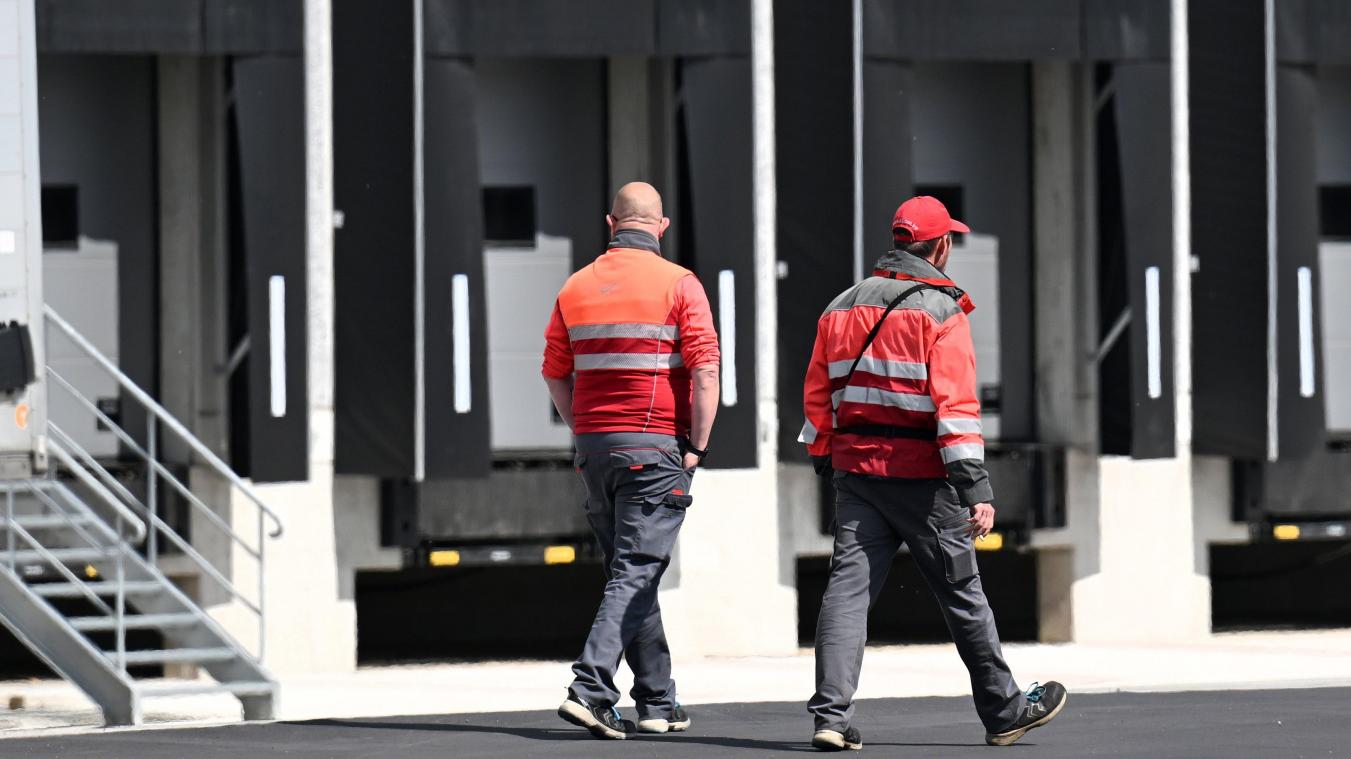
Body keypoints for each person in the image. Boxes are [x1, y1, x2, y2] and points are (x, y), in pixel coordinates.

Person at [799, 196, 1067, 752]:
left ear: (898, 241)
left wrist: (830, 457)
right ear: (941, 245)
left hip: (857, 476)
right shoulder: (943, 312)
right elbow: (956, 411)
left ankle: (829, 715)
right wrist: (976, 490)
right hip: (924, 483)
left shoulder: (839, 307)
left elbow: (817, 399)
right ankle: (1005, 711)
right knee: (962, 593)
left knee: (846, 595)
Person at [542, 182, 720, 741]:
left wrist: (585, 430)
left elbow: (553, 370)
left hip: (595, 450)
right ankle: (590, 689)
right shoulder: (679, 284)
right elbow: (708, 372)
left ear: (610, 223)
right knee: (636, 571)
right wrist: (698, 445)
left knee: (629, 571)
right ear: (660, 227)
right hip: (655, 447)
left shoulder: (575, 286)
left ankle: (657, 702)